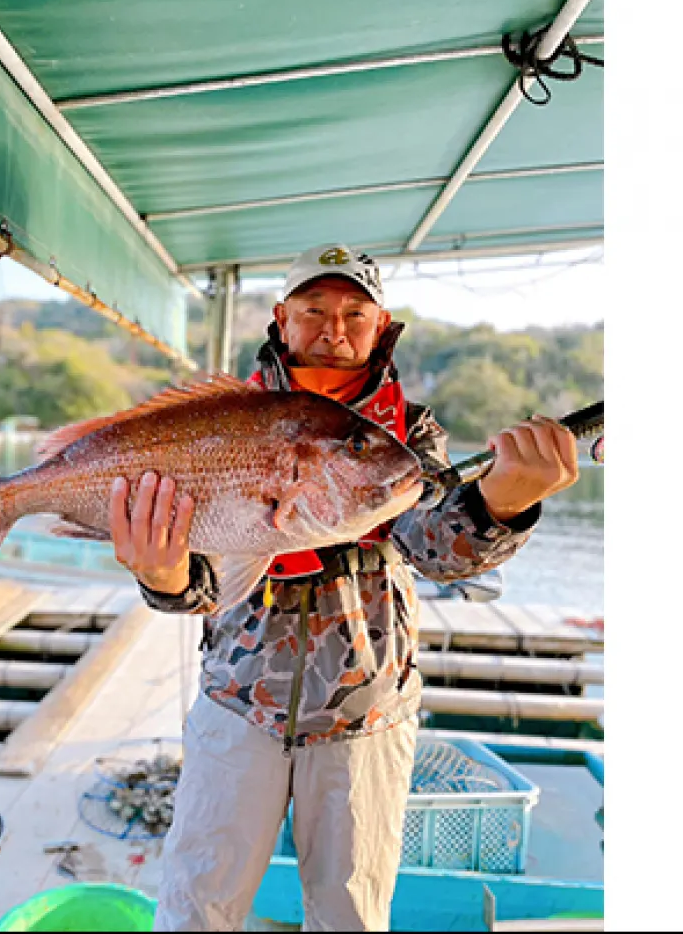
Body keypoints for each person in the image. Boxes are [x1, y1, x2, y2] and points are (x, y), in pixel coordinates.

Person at [107, 243, 580, 932]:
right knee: (195, 907)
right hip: (237, 706)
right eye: (314, 310)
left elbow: (434, 545)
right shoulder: (225, 418)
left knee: (351, 915)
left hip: (368, 713)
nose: (335, 330)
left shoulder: (406, 431)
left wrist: (501, 504)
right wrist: (160, 573)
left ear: (380, 321)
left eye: (355, 313)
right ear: (281, 318)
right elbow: (202, 587)